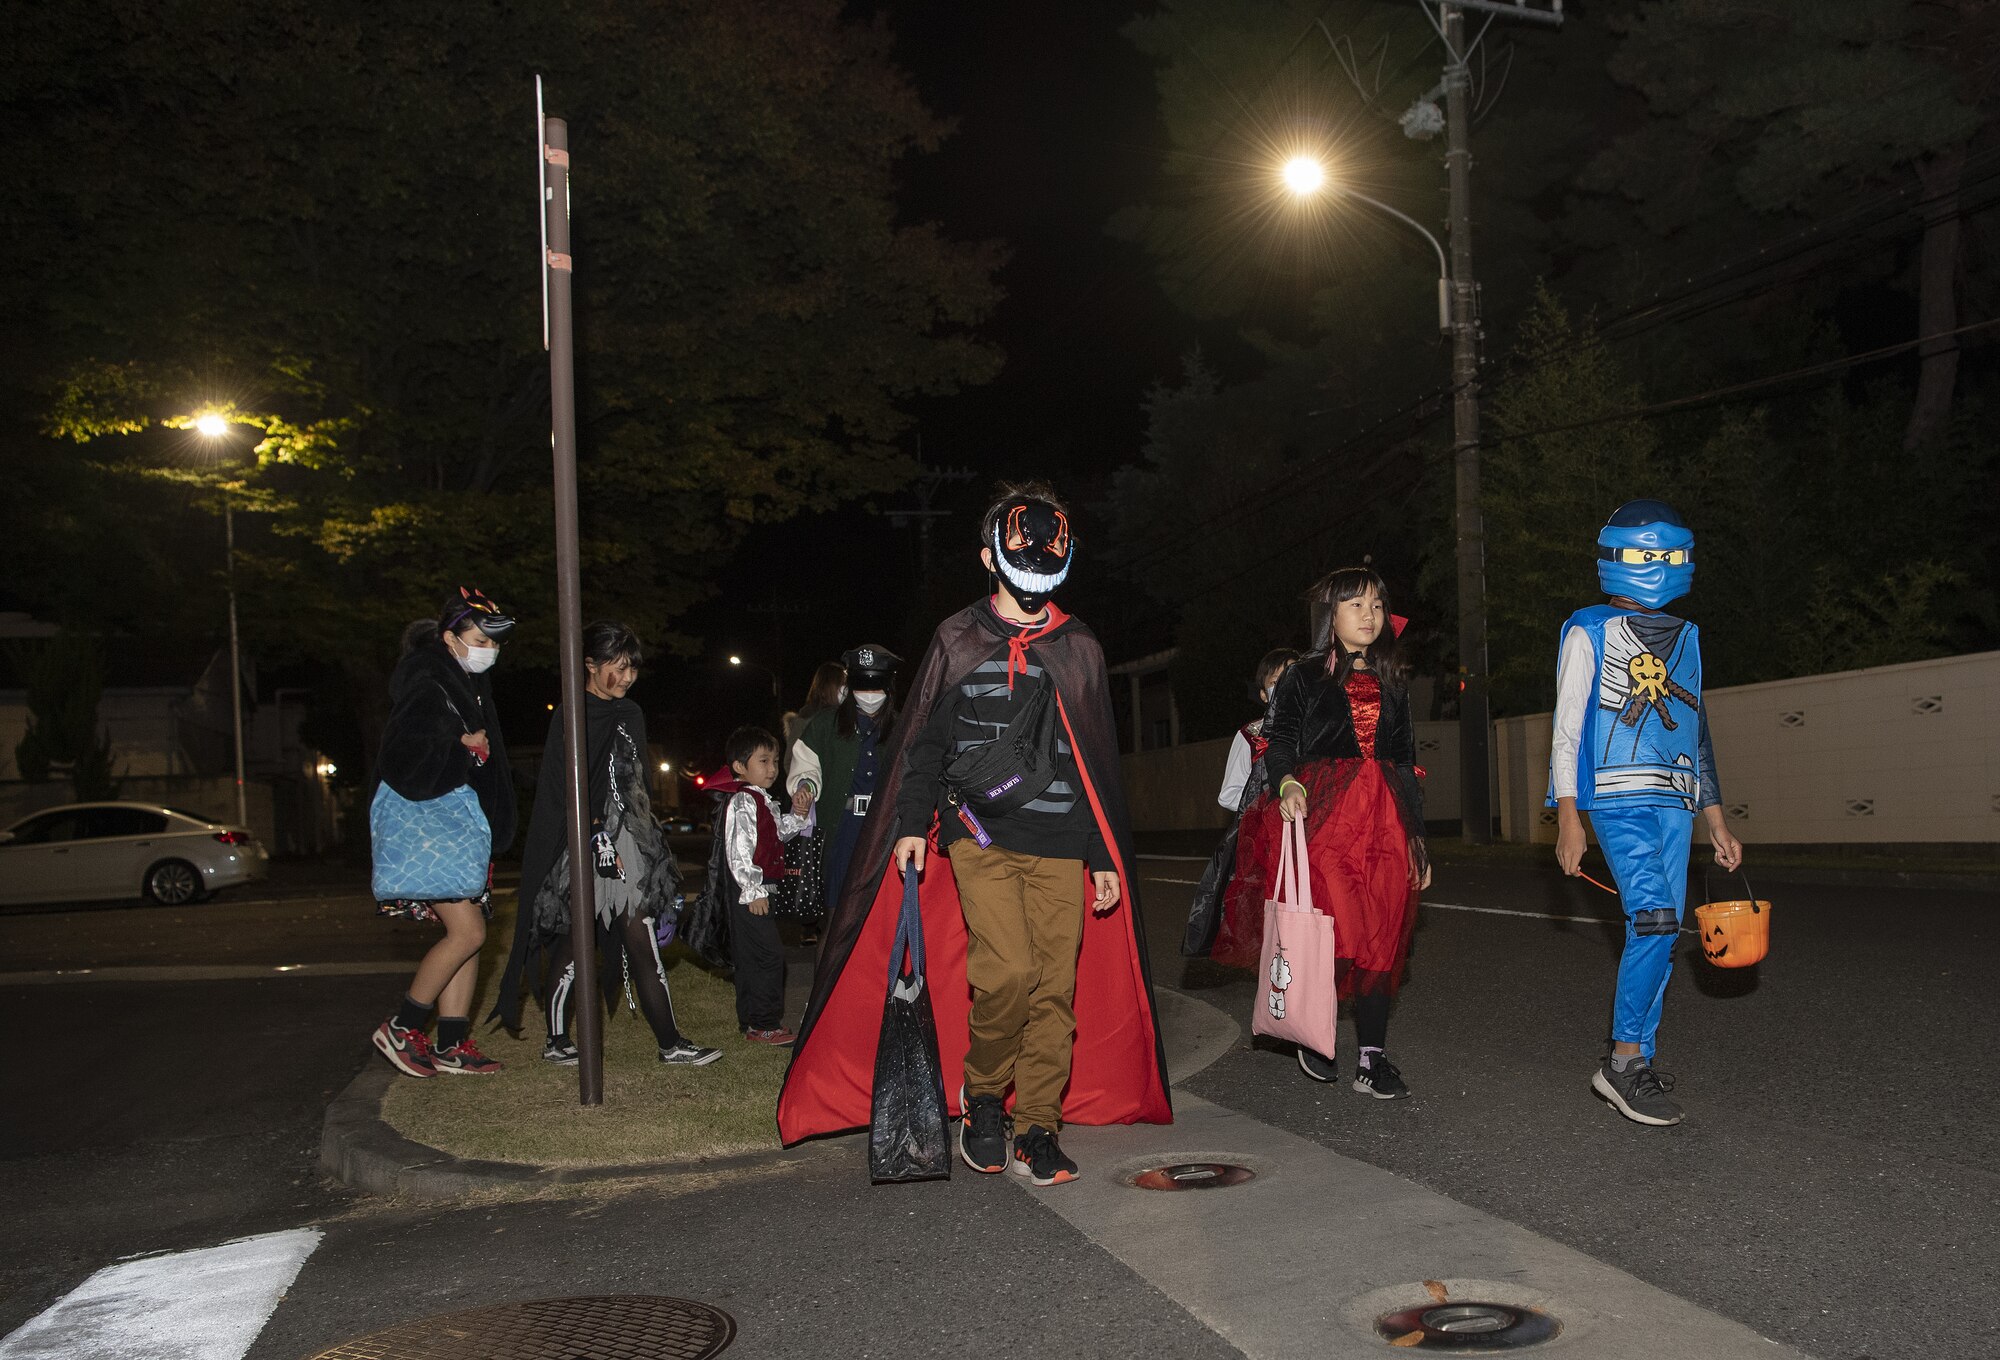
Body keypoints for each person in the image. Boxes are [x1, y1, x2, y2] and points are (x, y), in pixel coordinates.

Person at [777, 483, 1171, 1187]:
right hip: (978, 835)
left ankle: (1038, 1125)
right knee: (1009, 972)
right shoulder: (956, 638)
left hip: (1060, 839)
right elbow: (922, 744)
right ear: (987, 558)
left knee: (1054, 988)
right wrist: (907, 825)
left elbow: (1091, 767)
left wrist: (1101, 853)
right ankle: (984, 1099)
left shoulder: (1076, 646)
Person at [1549, 500, 1742, 1128]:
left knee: (1659, 929)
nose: (1656, 566)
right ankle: (1623, 1060)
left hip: (1676, 803)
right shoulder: (1589, 629)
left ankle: (1640, 1058)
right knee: (1656, 917)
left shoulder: (1688, 637)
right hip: (1616, 797)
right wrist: (1568, 817)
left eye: (1666, 555)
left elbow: (1698, 730)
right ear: (1618, 556)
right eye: (1646, 553)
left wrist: (1716, 818)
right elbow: (1568, 727)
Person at [1212, 567, 1429, 1097]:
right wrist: (1286, 781)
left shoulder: (1392, 680)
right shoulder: (1303, 676)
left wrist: (1418, 839)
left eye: (1377, 605)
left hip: (1385, 819)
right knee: (1334, 930)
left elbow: (1404, 760)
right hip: (1325, 819)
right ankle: (1314, 1030)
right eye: (1356, 606)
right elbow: (1280, 741)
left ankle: (1372, 1059)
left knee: (1381, 936)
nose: (1369, 616)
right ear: (1329, 616)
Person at [494, 621, 720, 1068]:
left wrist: (643, 848)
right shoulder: (571, 713)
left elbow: (633, 785)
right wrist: (593, 833)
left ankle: (670, 1042)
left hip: (626, 843)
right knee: (574, 941)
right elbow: (565, 787)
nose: (628, 677)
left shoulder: (630, 713)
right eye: (618, 668)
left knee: (640, 936)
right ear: (590, 666)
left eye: (633, 668)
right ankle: (557, 1039)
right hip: (579, 842)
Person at [368, 587, 520, 1078]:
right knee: (469, 930)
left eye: (495, 643)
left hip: (459, 824)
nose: (489, 650)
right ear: (450, 639)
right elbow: (402, 754)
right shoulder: (429, 680)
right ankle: (402, 1025)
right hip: (431, 821)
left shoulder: (464, 682)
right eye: (480, 639)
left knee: (474, 934)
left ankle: (452, 1042)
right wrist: (462, 747)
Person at [1182, 648, 1299, 958]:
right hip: (1267, 842)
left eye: (1294, 678)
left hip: (1310, 836)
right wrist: (1264, 808)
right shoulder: (1250, 735)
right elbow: (1230, 793)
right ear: (1263, 693)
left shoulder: (1317, 731)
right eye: (1277, 681)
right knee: (1273, 911)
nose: (1286, 686)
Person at [704, 726, 810, 1044]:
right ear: (739, 766)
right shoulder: (743, 800)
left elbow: (776, 832)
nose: (772, 768)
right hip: (751, 890)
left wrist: (799, 815)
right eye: (763, 761)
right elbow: (739, 848)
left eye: (775, 761)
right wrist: (753, 889)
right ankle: (764, 1023)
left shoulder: (759, 798)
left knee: (751, 956)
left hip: (758, 889)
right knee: (769, 956)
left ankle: (751, 1020)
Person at [787, 645, 902, 926]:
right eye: (862, 686)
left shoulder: (902, 726)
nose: (870, 695)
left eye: (876, 687)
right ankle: (829, 971)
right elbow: (806, 765)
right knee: (836, 918)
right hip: (841, 831)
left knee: (881, 917)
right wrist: (806, 787)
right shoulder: (825, 724)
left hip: (884, 832)